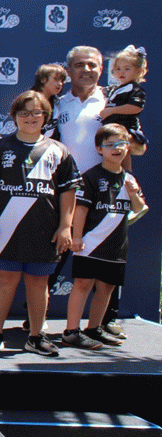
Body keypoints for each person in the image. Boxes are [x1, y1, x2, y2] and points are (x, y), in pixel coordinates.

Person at [0, 91, 80, 356]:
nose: (30, 117)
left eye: (36, 112)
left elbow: (68, 192)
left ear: (46, 116)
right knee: (4, 280)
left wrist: (66, 226)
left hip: (44, 230)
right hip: (5, 229)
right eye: (24, 112)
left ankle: (36, 336)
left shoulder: (59, 150)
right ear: (14, 116)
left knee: (38, 282)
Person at [53, 45, 145, 338]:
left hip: (105, 193)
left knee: (106, 261)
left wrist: (128, 178)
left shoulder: (114, 100)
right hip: (64, 193)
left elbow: (136, 145)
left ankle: (105, 321)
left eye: (93, 65)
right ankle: (35, 320)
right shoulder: (58, 103)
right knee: (52, 258)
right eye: (80, 65)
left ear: (101, 69)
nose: (87, 70)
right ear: (68, 71)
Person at [62, 124, 147, 349]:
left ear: (128, 147)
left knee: (107, 287)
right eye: (110, 145)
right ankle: (71, 331)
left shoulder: (129, 178)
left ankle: (94, 328)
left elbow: (138, 207)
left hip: (116, 245)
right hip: (90, 243)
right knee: (82, 284)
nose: (117, 149)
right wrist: (77, 236)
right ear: (100, 149)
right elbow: (80, 209)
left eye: (121, 144)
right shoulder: (91, 176)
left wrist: (133, 193)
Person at [100, 45, 147, 168]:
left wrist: (110, 111)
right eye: (118, 68)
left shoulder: (135, 88)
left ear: (138, 71)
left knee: (123, 153)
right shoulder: (116, 89)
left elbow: (136, 107)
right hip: (112, 130)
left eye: (127, 69)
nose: (121, 72)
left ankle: (126, 177)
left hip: (127, 129)